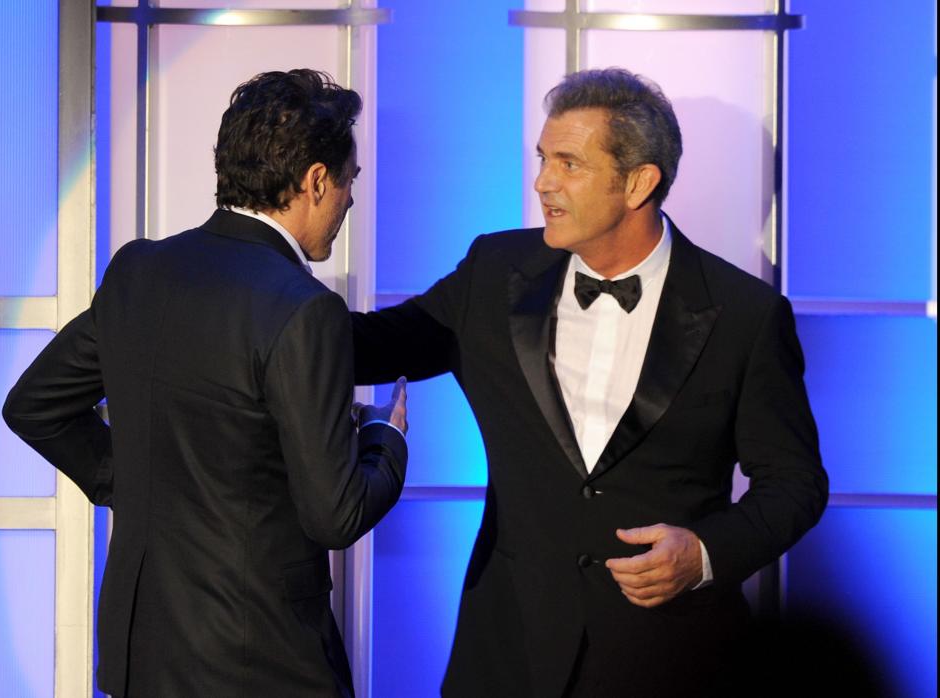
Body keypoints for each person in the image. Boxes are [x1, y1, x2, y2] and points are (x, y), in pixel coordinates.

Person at [351, 68, 828, 697]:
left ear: (638, 182)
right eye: (543, 158)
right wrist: (252, 268)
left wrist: (705, 553)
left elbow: (795, 484)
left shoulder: (745, 315)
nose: (543, 181)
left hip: (668, 661)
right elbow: (366, 347)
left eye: (569, 164)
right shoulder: (494, 273)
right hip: (507, 656)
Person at [2, 69, 408, 698]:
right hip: (263, 665)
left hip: (145, 657)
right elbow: (337, 514)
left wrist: (128, 481)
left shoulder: (139, 270)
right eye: (350, 180)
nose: (352, 199)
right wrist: (386, 436)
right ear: (316, 181)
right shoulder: (305, 309)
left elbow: (34, 406)